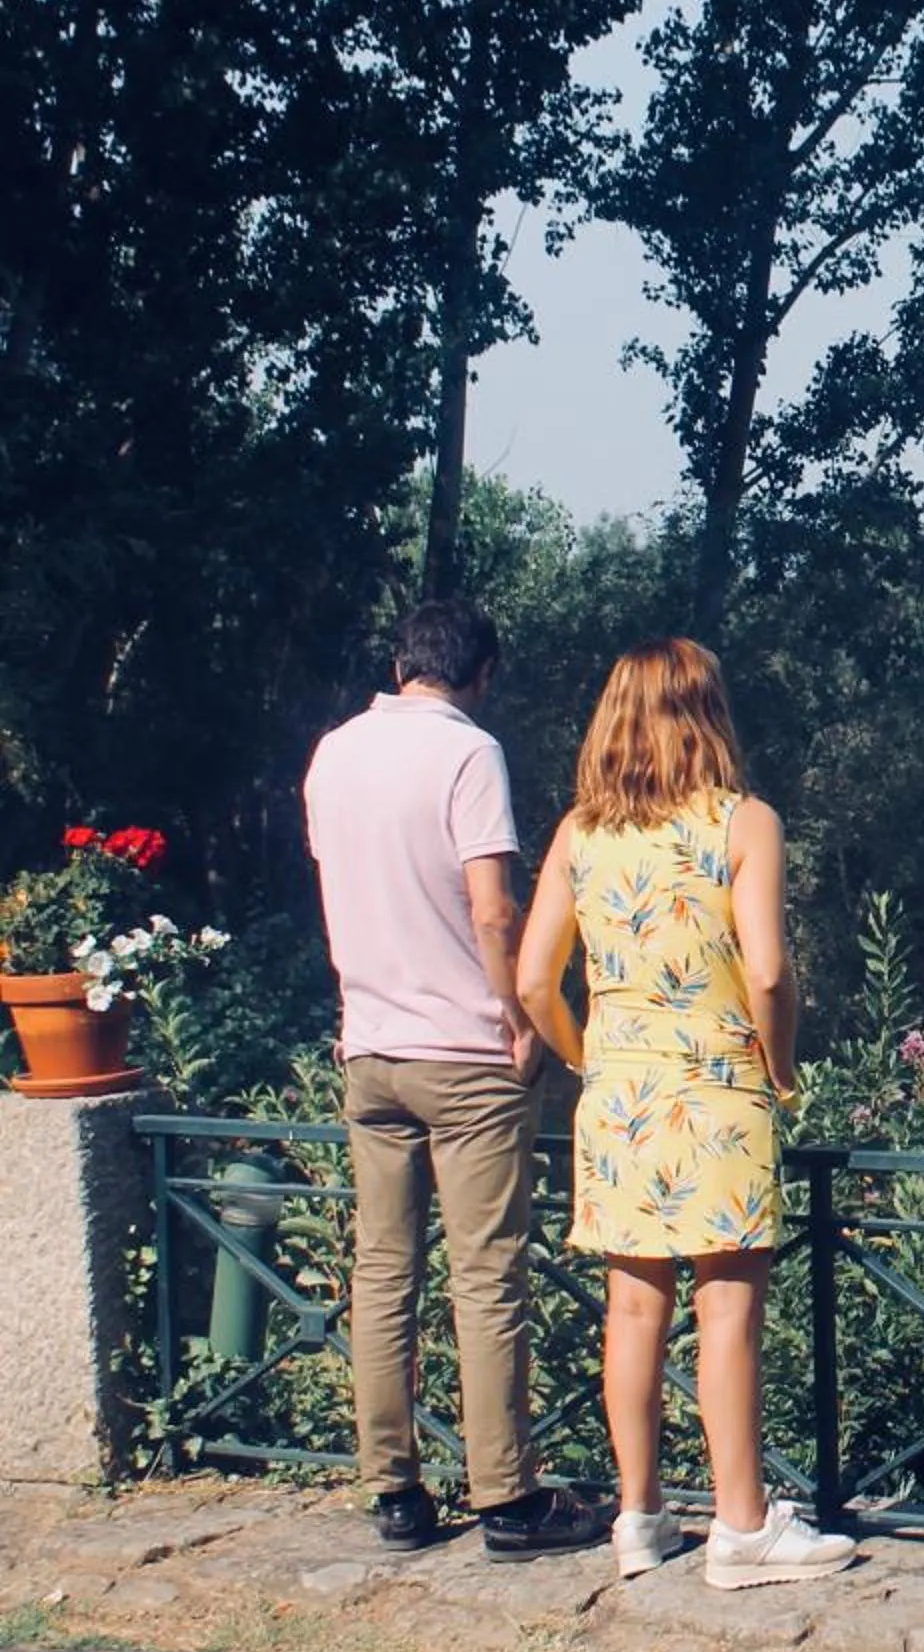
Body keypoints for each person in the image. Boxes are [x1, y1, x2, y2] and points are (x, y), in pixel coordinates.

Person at [516, 638, 856, 1587]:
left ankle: (639, 1517)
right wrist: (780, 1067)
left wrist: (593, 1059)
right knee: (728, 1315)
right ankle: (742, 1528)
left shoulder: (579, 833)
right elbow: (771, 972)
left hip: (617, 1096)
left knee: (631, 1309)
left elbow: (534, 979)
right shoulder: (744, 824)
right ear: (708, 713)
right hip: (718, 1091)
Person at [302, 599, 604, 1560]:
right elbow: (492, 907)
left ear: (401, 664)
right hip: (465, 1055)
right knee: (487, 1276)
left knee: (382, 1273)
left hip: (372, 1046)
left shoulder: (333, 754)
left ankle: (392, 1491)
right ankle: (506, 1498)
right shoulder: (469, 754)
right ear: (482, 673)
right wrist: (518, 1014)